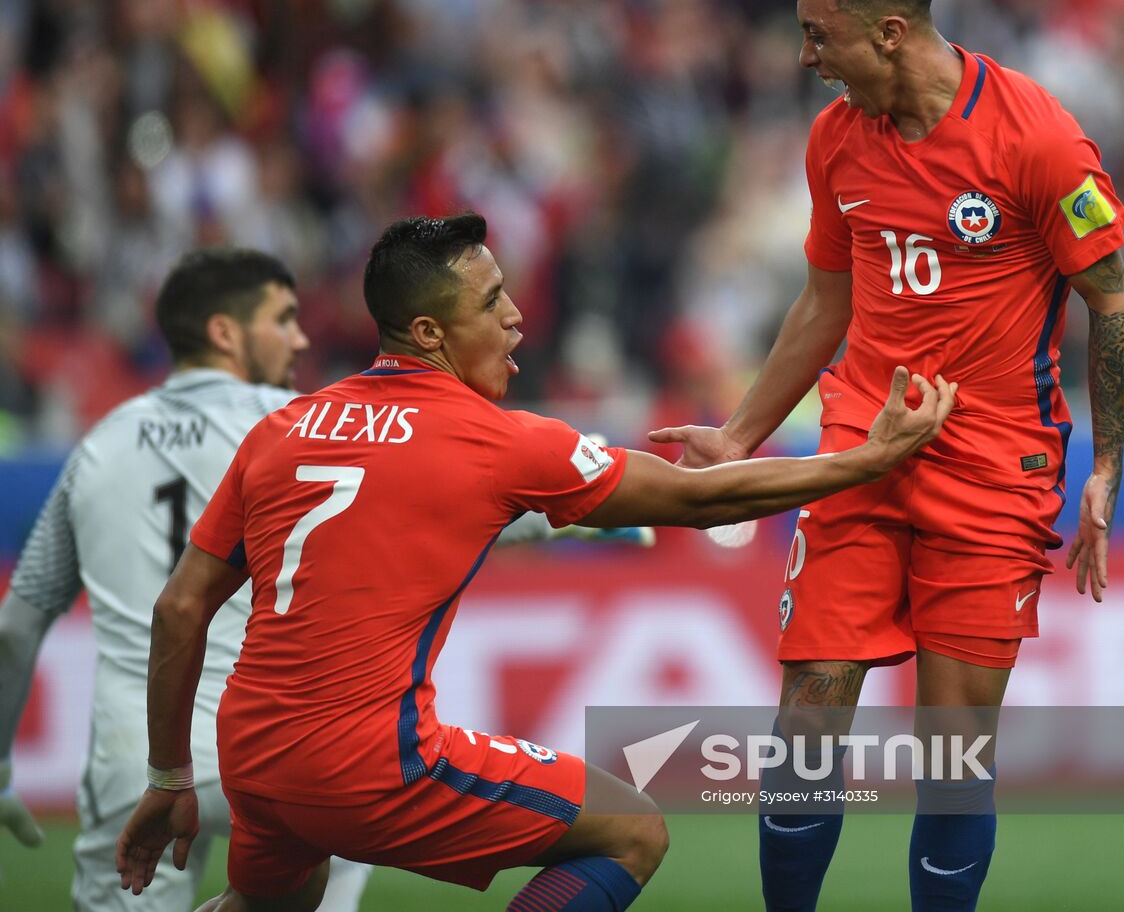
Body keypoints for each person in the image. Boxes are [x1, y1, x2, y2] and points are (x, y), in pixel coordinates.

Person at [115, 212, 956, 912]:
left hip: (252, 761)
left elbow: (180, 609)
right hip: (371, 765)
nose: (517, 316)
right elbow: (701, 500)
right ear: (428, 332)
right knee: (632, 830)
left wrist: (166, 778)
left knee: (271, 902)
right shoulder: (494, 441)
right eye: (492, 302)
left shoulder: (283, 429)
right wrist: (865, 461)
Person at [648, 0, 1124, 912]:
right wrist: (741, 434)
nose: (803, 58)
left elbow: (1110, 304)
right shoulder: (834, 139)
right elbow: (823, 301)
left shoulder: (1035, 138)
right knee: (806, 729)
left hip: (991, 471)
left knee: (950, 757)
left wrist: (1104, 464)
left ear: (885, 34)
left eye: (816, 36)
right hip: (857, 460)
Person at [0, 248, 376, 910]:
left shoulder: (96, 446)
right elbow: (437, 489)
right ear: (224, 331)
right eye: (283, 318)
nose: (302, 336)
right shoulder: (299, 425)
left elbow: (16, 629)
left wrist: (1, 767)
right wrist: (572, 515)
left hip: (136, 756)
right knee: (339, 845)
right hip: (268, 747)